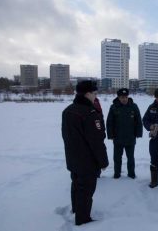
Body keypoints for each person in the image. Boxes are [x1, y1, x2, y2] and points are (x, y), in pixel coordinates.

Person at [62, 80, 109, 225]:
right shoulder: (90, 113)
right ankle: (83, 219)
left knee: (76, 184)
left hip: (72, 158)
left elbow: (65, 135)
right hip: (87, 161)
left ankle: (77, 209)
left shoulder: (68, 110)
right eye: (94, 93)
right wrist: (103, 161)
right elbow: (96, 141)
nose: (96, 96)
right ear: (87, 93)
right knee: (86, 190)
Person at [106, 88, 143, 179]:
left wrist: (138, 133)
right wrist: (110, 135)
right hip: (118, 138)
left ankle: (131, 174)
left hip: (130, 137)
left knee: (130, 158)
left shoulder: (134, 106)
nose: (124, 99)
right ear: (118, 97)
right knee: (117, 158)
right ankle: (117, 174)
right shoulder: (113, 107)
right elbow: (109, 122)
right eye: (122, 97)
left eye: (126, 97)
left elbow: (138, 120)